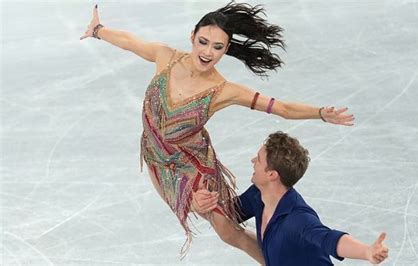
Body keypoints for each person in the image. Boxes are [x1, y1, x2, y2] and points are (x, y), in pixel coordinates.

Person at [80, 2, 354, 262]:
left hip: (193, 162)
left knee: (226, 230)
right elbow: (131, 43)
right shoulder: (166, 58)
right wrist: (98, 31)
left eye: (217, 47)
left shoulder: (224, 91)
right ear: (192, 36)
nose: (208, 52)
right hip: (157, 158)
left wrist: (319, 113)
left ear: (225, 50)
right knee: (209, 215)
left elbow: (281, 107)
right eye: (203, 42)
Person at [193, 131, 389, 265]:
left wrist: (366, 252)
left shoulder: (298, 218)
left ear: (272, 174)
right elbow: (227, 215)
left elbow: (331, 239)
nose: (253, 161)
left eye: (258, 159)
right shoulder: (257, 195)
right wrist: (202, 202)